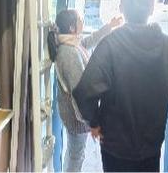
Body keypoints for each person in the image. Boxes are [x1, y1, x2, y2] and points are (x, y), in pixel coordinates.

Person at [73, 0, 168, 172]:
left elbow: (84, 91)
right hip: (151, 143)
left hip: (115, 145)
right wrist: (163, 91)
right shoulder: (166, 45)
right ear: (151, 8)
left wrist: (94, 122)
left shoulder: (110, 44)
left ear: (122, 7)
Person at [47, 9, 123, 172]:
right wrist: (91, 122)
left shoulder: (72, 43)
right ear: (72, 27)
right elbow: (80, 94)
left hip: (76, 116)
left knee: (74, 153)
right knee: (76, 155)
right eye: (80, 19)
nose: (82, 21)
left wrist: (110, 26)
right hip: (77, 118)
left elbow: (91, 40)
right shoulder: (69, 53)